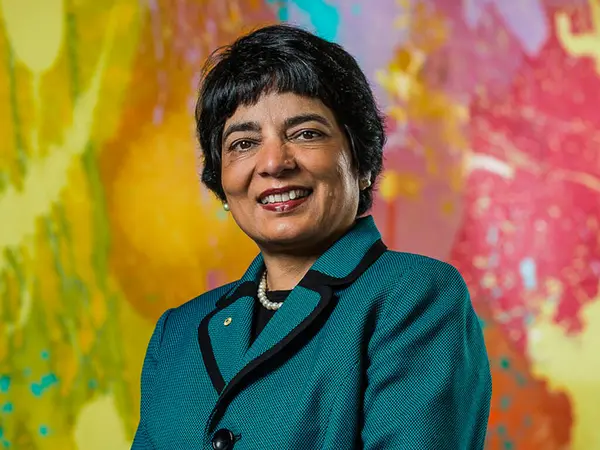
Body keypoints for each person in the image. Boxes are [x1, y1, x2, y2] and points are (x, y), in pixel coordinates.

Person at [132, 24, 491, 450]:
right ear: (221, 182)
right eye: (243, 143)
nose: (273, 163)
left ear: (361, 162)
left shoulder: (414, 296)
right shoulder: (177, 332)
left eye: (306, 133)